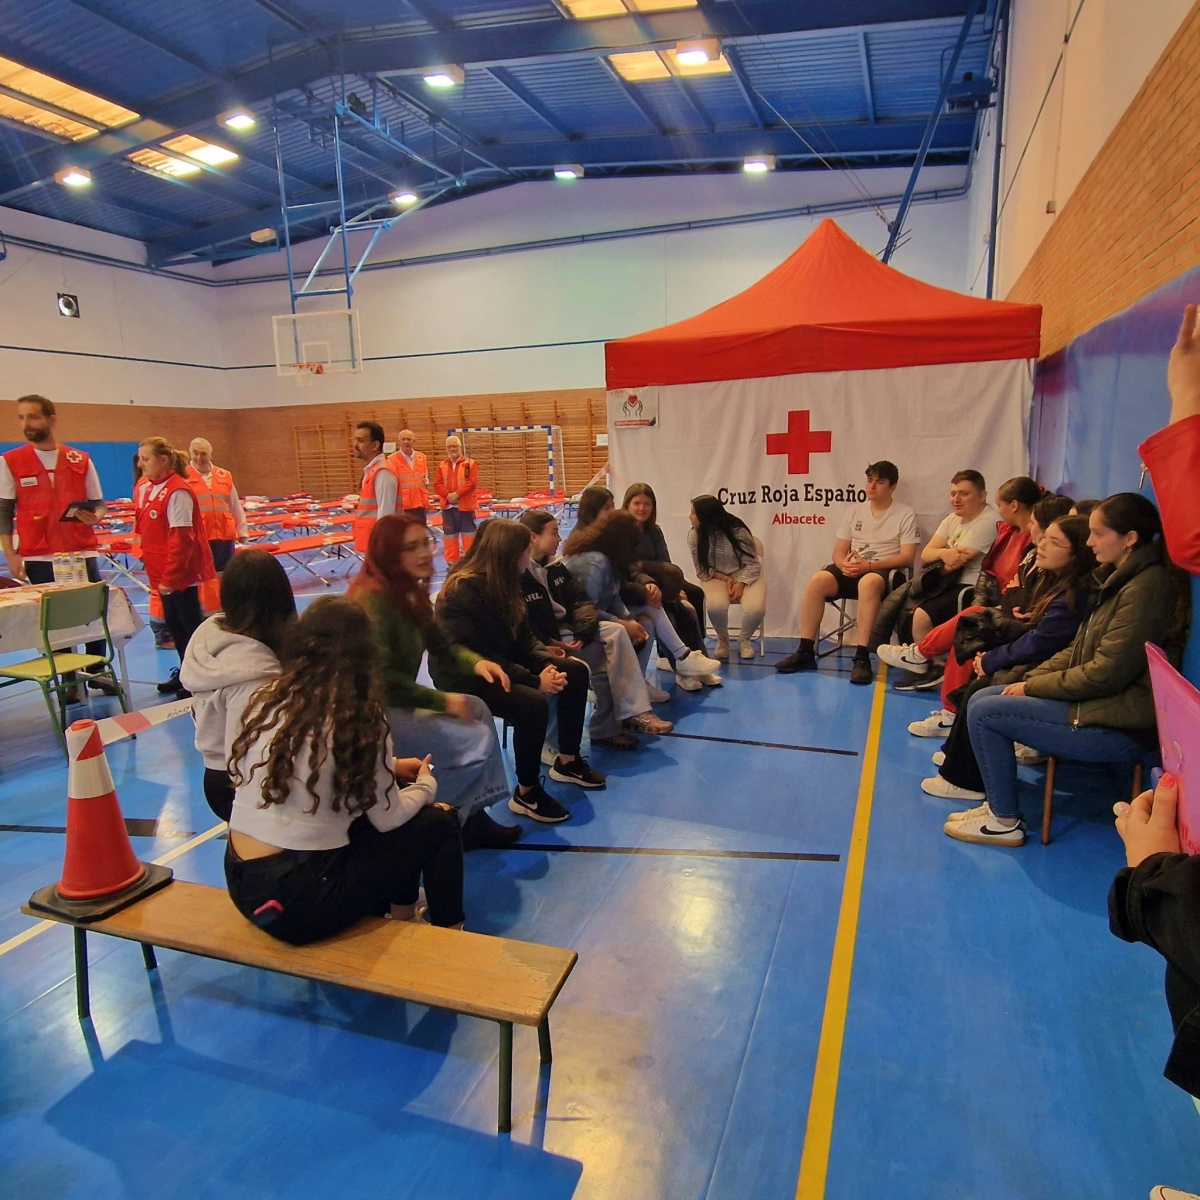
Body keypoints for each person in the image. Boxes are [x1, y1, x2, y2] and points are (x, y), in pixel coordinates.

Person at [944, 492, 1190, 847]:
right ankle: (996, 806)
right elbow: (1077, 651)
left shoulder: (1145, 589)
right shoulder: (1120, 579)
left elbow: (1105, 673)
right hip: (1100, 706)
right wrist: (1031, 679)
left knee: (986, 711)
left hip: (1119, 726)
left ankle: (1003, 820)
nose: (1090, 543)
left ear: (1129, 539)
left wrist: (1032, 688)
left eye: (1098, 534)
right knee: (985, 696)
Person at [225, 596, 464, 942]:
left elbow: (312, 765)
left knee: (376, 818)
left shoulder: (269, 697)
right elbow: (390, 818)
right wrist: (426, 785)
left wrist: (390, 766)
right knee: (438, 821)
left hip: (244, 884)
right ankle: (452, 938)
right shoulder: (357, 717)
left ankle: (402, 915)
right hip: (295, 905)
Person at [348, 514, 517, 851]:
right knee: (474, 741)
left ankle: (473, 817)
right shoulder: (372, 601)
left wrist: (477, 662)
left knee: (479, 709)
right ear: (389, 554)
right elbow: (383, 682)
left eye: (426, 542)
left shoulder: (409, 592)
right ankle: (440, 821)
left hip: (396, 702)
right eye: (411, 547)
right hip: (370, 715)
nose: (425, 552)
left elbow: (444, 645)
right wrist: (443, 702)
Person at [432, 519, 606, 824]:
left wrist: (545, 664)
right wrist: (536, 681)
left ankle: (567, 760)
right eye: (525, 551)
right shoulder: (463, 590)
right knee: (531, 703)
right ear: (509, 554)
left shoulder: (511, 581)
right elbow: (483, 655)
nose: (529, 556)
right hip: (467, 674)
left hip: (502, 661)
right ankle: (527, 793)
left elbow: (524, 638)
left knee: (575, 672)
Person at [917, 514, 1095, 801]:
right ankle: (956, 755)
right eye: (1045, 538)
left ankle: (965, 780)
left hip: (1053, 677)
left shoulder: (1073, 595)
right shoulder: (1055, 583)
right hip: (1042, 661)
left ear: (1078, 553)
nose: (1041, 545)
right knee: (975, 641)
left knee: (982, 689)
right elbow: (1036, 629)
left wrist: (991, 660)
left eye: (1054, 542)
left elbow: (1040, 644)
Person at [884, 491, 1074, 729]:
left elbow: (1026, 604)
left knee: (971, 628)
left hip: (1019, 628)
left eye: (1034, 523)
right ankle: (931, 674)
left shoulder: (1057, 576)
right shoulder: (1030, 553)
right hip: (1008, 614)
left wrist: (1012, 599)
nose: (1029, 527)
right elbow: (1014, 593)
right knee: (969, 623)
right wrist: (1012, 596)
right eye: (952, 493)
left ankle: (927, 666)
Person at [520, 508, 672, 751]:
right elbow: (524, 623)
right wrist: (554, 643)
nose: (560, 538)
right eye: (554, 532)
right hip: (546, 642)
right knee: (614, 646)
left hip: (570, 633)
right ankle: (626, 714)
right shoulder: (521, 574)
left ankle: (626, 715)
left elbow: (580, 603)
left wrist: (585, 632)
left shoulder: (556, 568)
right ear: (533, 537)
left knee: (617, 641)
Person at [0, 394, 117, 691]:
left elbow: (98, 503)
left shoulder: (80, 459)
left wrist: (95, 516)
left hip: (81, 550)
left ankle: (96, 669)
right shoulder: (11, 462)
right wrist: (11, 554)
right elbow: (4, 512)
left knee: (93, 612)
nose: (26, 423)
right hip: (38, 556)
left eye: (33, 416)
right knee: (54, 620)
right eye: (22, 417)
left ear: (51, 419)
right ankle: (68, 680)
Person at [777, 461, 919, 685]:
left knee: (868, 583)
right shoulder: (854, 511)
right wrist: (843, 564)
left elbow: (908, 557)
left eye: (880, 482)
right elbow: (838, 551)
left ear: (892, 487)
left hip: (885, 572)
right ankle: (805, 651)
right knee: (817, 580)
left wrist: (869, 566)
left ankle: (862, 657)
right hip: (854, 568)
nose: (872, 486)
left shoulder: (905, 514)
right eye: (870, 480)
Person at [181, 550, 297, 822]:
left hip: (218, 772)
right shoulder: (250, 677)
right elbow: (247, 757)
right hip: (235, 782)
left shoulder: (212, 638)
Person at [562, 510, 723, 691]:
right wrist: (623, 622)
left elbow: (615, 597)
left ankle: (642, 682)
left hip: (599, 614)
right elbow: (586, 611)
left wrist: (629, 616)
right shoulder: (595, 564)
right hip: (581, 625)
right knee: (650, 611)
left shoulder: (607, 559)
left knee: (647, 619)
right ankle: (681, 658)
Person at [135, 437, 216, 696]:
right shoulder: (147, 489)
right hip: (162, 574)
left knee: (188, 626)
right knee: (175, 624)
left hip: (181, 574)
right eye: (140, 458)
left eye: (145, 459)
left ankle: (199, 678)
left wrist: (170, 578)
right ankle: (185, 673)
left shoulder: (177, 491)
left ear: (163, 460)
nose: (140, 464)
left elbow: (182, 540)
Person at [622, 482, 708, 662]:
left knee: (695, 594)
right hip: (638, 582)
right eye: (637, 503)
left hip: (659, 577)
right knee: (678, 612)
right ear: (627, 504)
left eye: (647, 504)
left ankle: (699, 654)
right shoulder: (621, 532)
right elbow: (629, 568)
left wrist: (675, 587)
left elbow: (665, 562)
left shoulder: (654, 530)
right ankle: (677, 660)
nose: (642, 508)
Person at [687, 494, 767, 662]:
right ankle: (723, 639)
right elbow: (701, 570)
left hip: (746, 572)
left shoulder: (738, 531)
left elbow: (753, 564)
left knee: (756, 609)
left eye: (693, 513)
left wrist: (741, 582)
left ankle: (744, 640)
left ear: (706, 516)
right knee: (715, 607)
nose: (690, 517)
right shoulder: (694, 535)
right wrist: (725, 578)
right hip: (715, 575)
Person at [185, 438, 249, 573]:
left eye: (203, 453)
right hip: (199, 536)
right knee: (203, 575)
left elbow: (235, 504)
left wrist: (242, 530)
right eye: (195, 453)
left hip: (225, 535)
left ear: (210, 455)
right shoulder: (184, 477)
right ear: (190, 453)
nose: (199, 457)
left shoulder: (224, 475)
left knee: (226, 573)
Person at [351, 421, 398, 553]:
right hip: (371, 544)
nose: (355, 445)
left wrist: (381, 548)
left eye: (360, 441)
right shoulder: (373, 471)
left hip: (379, 548)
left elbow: (386, 516)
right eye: (355, 440)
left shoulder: (383, 473)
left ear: (375, 445)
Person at [434, 434, 479, 565]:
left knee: (469, 538)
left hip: (466, 508)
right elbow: (437, 484)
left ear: (460, 447)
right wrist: (448, 495)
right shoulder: (441, 465)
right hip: (448, 509)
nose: (452, 449)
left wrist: (457, 494)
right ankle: (452, 565)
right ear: (446, 448)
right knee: (450, 538)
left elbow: (472, 482)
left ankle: (470, 565)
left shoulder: (471, 463)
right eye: (449, 446)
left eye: (455, 446)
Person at [387, 428, 430, 523]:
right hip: (403, 506)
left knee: (421, 531)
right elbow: (390, 486)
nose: (406, 442)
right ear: (399, 441)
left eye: (409, 439)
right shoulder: (392, 460)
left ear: (413, 441)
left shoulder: (422, 457)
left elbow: (425, 481)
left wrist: (426, 501)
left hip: (420, 505)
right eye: (403, 439)